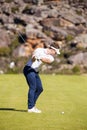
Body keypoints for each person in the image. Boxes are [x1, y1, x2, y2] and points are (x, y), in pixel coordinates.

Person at [23, 43, 60, 113]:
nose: (55, 54)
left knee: (40, 89)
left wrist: (40, 58)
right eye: (55, 52)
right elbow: (33, 59)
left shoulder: (51, 57)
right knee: (33, 87)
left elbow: (47, 61)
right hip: (29, 69)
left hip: (35, 71)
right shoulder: (39, 50)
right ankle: (30, 108)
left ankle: (32, 105)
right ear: (52, 49)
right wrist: (35, 57)